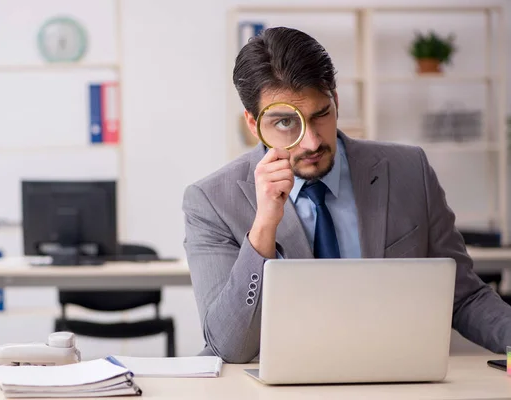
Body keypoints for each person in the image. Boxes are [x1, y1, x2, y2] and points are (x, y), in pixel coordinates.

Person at [182, 26, 511, 364]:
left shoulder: (409, 171)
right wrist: (264, 227)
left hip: (395, 380)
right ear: (253, 124)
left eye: (320, 114)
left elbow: (465, 297)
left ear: (336, 101)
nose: (310, 142)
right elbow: (229, 348)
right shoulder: (211, 201)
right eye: (285, 123)